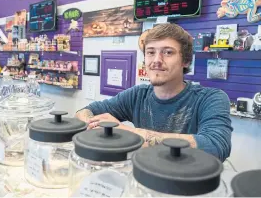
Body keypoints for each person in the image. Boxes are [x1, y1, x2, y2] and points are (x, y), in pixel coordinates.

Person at [75, 23, 233, 162]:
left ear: (185, 61)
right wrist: (95, 124)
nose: (156, 60)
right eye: (150, 52)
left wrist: (131, 134)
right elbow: (84, 112)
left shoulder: (211, 98)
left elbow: (216, 147)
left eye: (168, 52)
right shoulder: (137, 95)